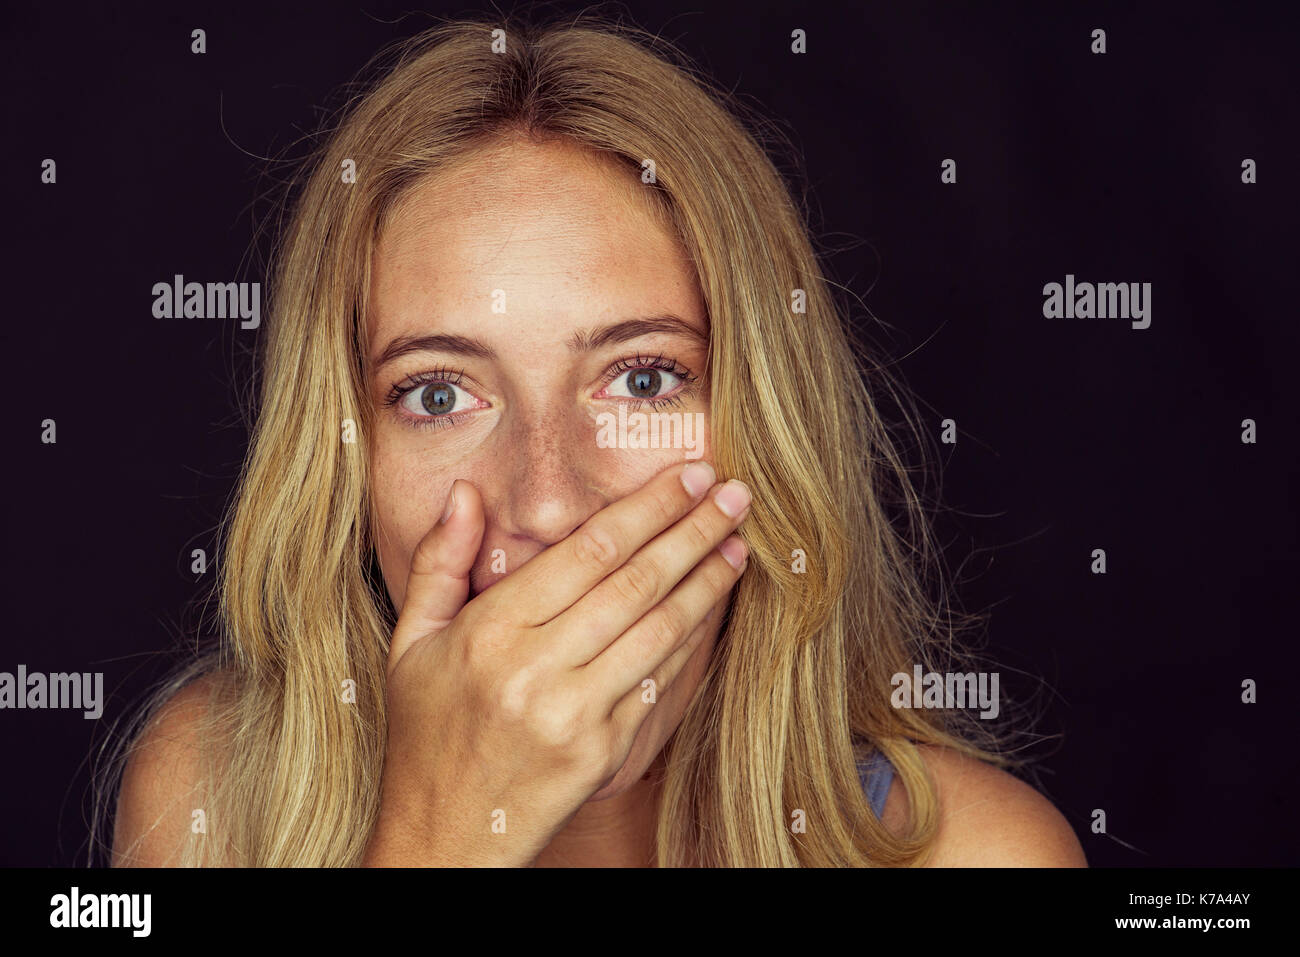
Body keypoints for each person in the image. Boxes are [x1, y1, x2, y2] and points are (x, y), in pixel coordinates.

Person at [101, 14, 1085, 867]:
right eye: (439, 393)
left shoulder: (981, 855)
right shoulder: (212, 795)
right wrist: (442, 837)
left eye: (643, 379)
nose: (548, 506)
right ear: (343, 468)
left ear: (764, 432)